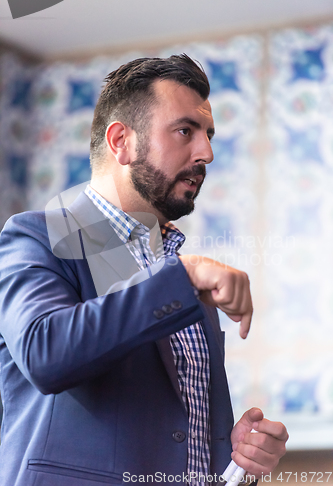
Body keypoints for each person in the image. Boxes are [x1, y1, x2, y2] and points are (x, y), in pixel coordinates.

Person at [0, 54, 288, 486]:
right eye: (185, 131)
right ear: (121, 142)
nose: (206, 152)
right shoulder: (35, 236)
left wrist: (239, 464)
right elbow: (45, 353)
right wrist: (183, 278)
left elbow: (177, 448)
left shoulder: (180, 278)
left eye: (208, 135)